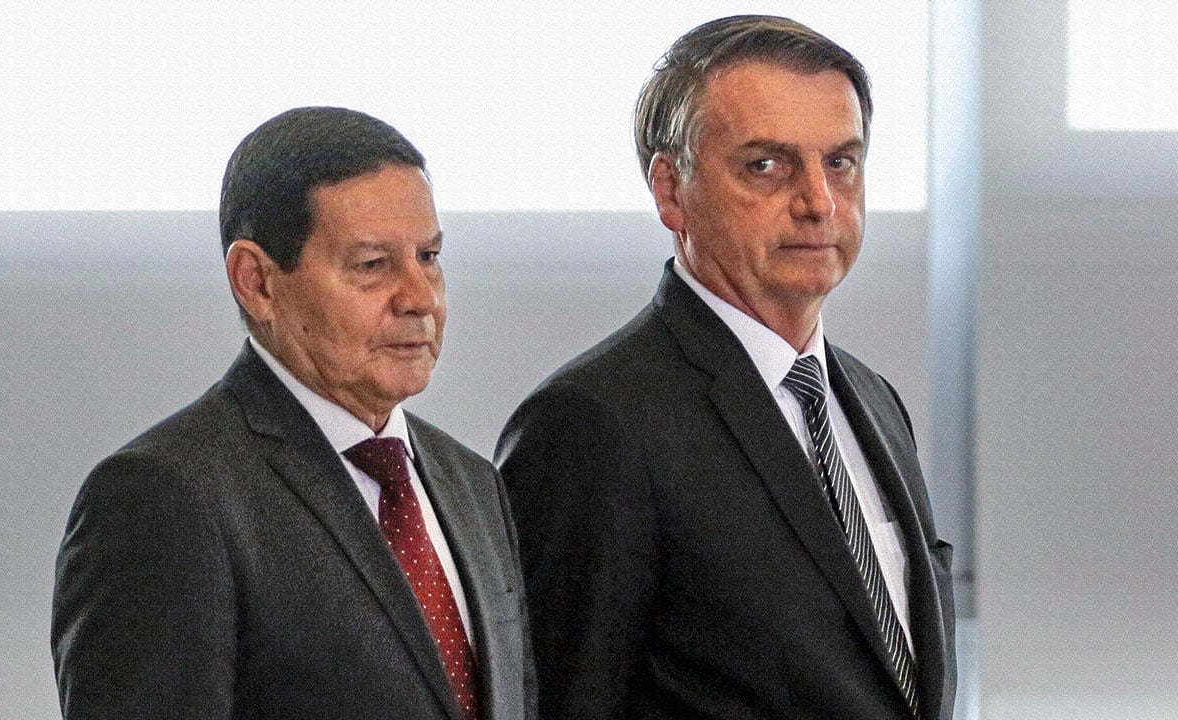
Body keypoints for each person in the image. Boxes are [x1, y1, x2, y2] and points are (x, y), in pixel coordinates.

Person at [496, 16, 955, 720]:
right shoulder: (591, 425)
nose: (818, 202)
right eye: (766, 166)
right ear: (670, 191)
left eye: (841, 162)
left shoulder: (874, 400)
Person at [52, 107, 536, 720]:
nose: (420, 298)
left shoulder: (473, 483)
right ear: (256, 282)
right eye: (372, 265)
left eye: (429, 256)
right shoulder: (163, 498)